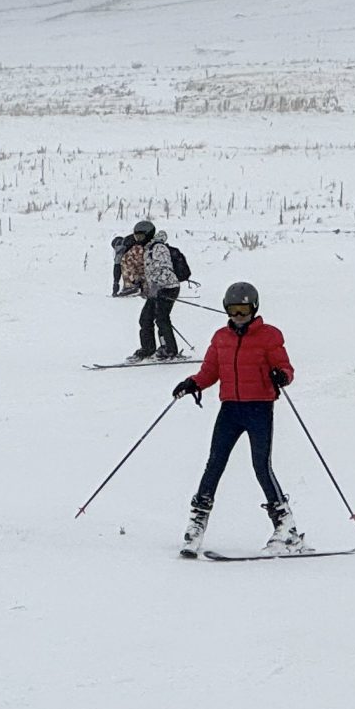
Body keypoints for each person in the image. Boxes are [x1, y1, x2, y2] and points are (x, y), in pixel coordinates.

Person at [170, 281, 299, 556]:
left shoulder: (269, 335)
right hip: (230, 409)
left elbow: (286, 368)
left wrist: (282, 377)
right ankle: (196, 526)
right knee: (214, 463)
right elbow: (210, 372)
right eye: (232, 310)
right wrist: (193, 383)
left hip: (259, 408)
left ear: (254, 308)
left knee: (261, 466)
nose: (238, 316)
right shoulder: (220, 338)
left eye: (243, 310)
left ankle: (286, 528)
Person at [126, 220, 187, 362]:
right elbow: (151, 270)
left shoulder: (158, 248)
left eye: (141, 237)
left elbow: (164, 269)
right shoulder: (148, 248)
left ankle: (169, 349)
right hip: (156, 290)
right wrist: (142, 282)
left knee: (161, 318)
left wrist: (158, 286)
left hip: (167, 288)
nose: (138, 240)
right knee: (145, 318)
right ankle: (148, 349)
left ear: (148, 234)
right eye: (136, 237)